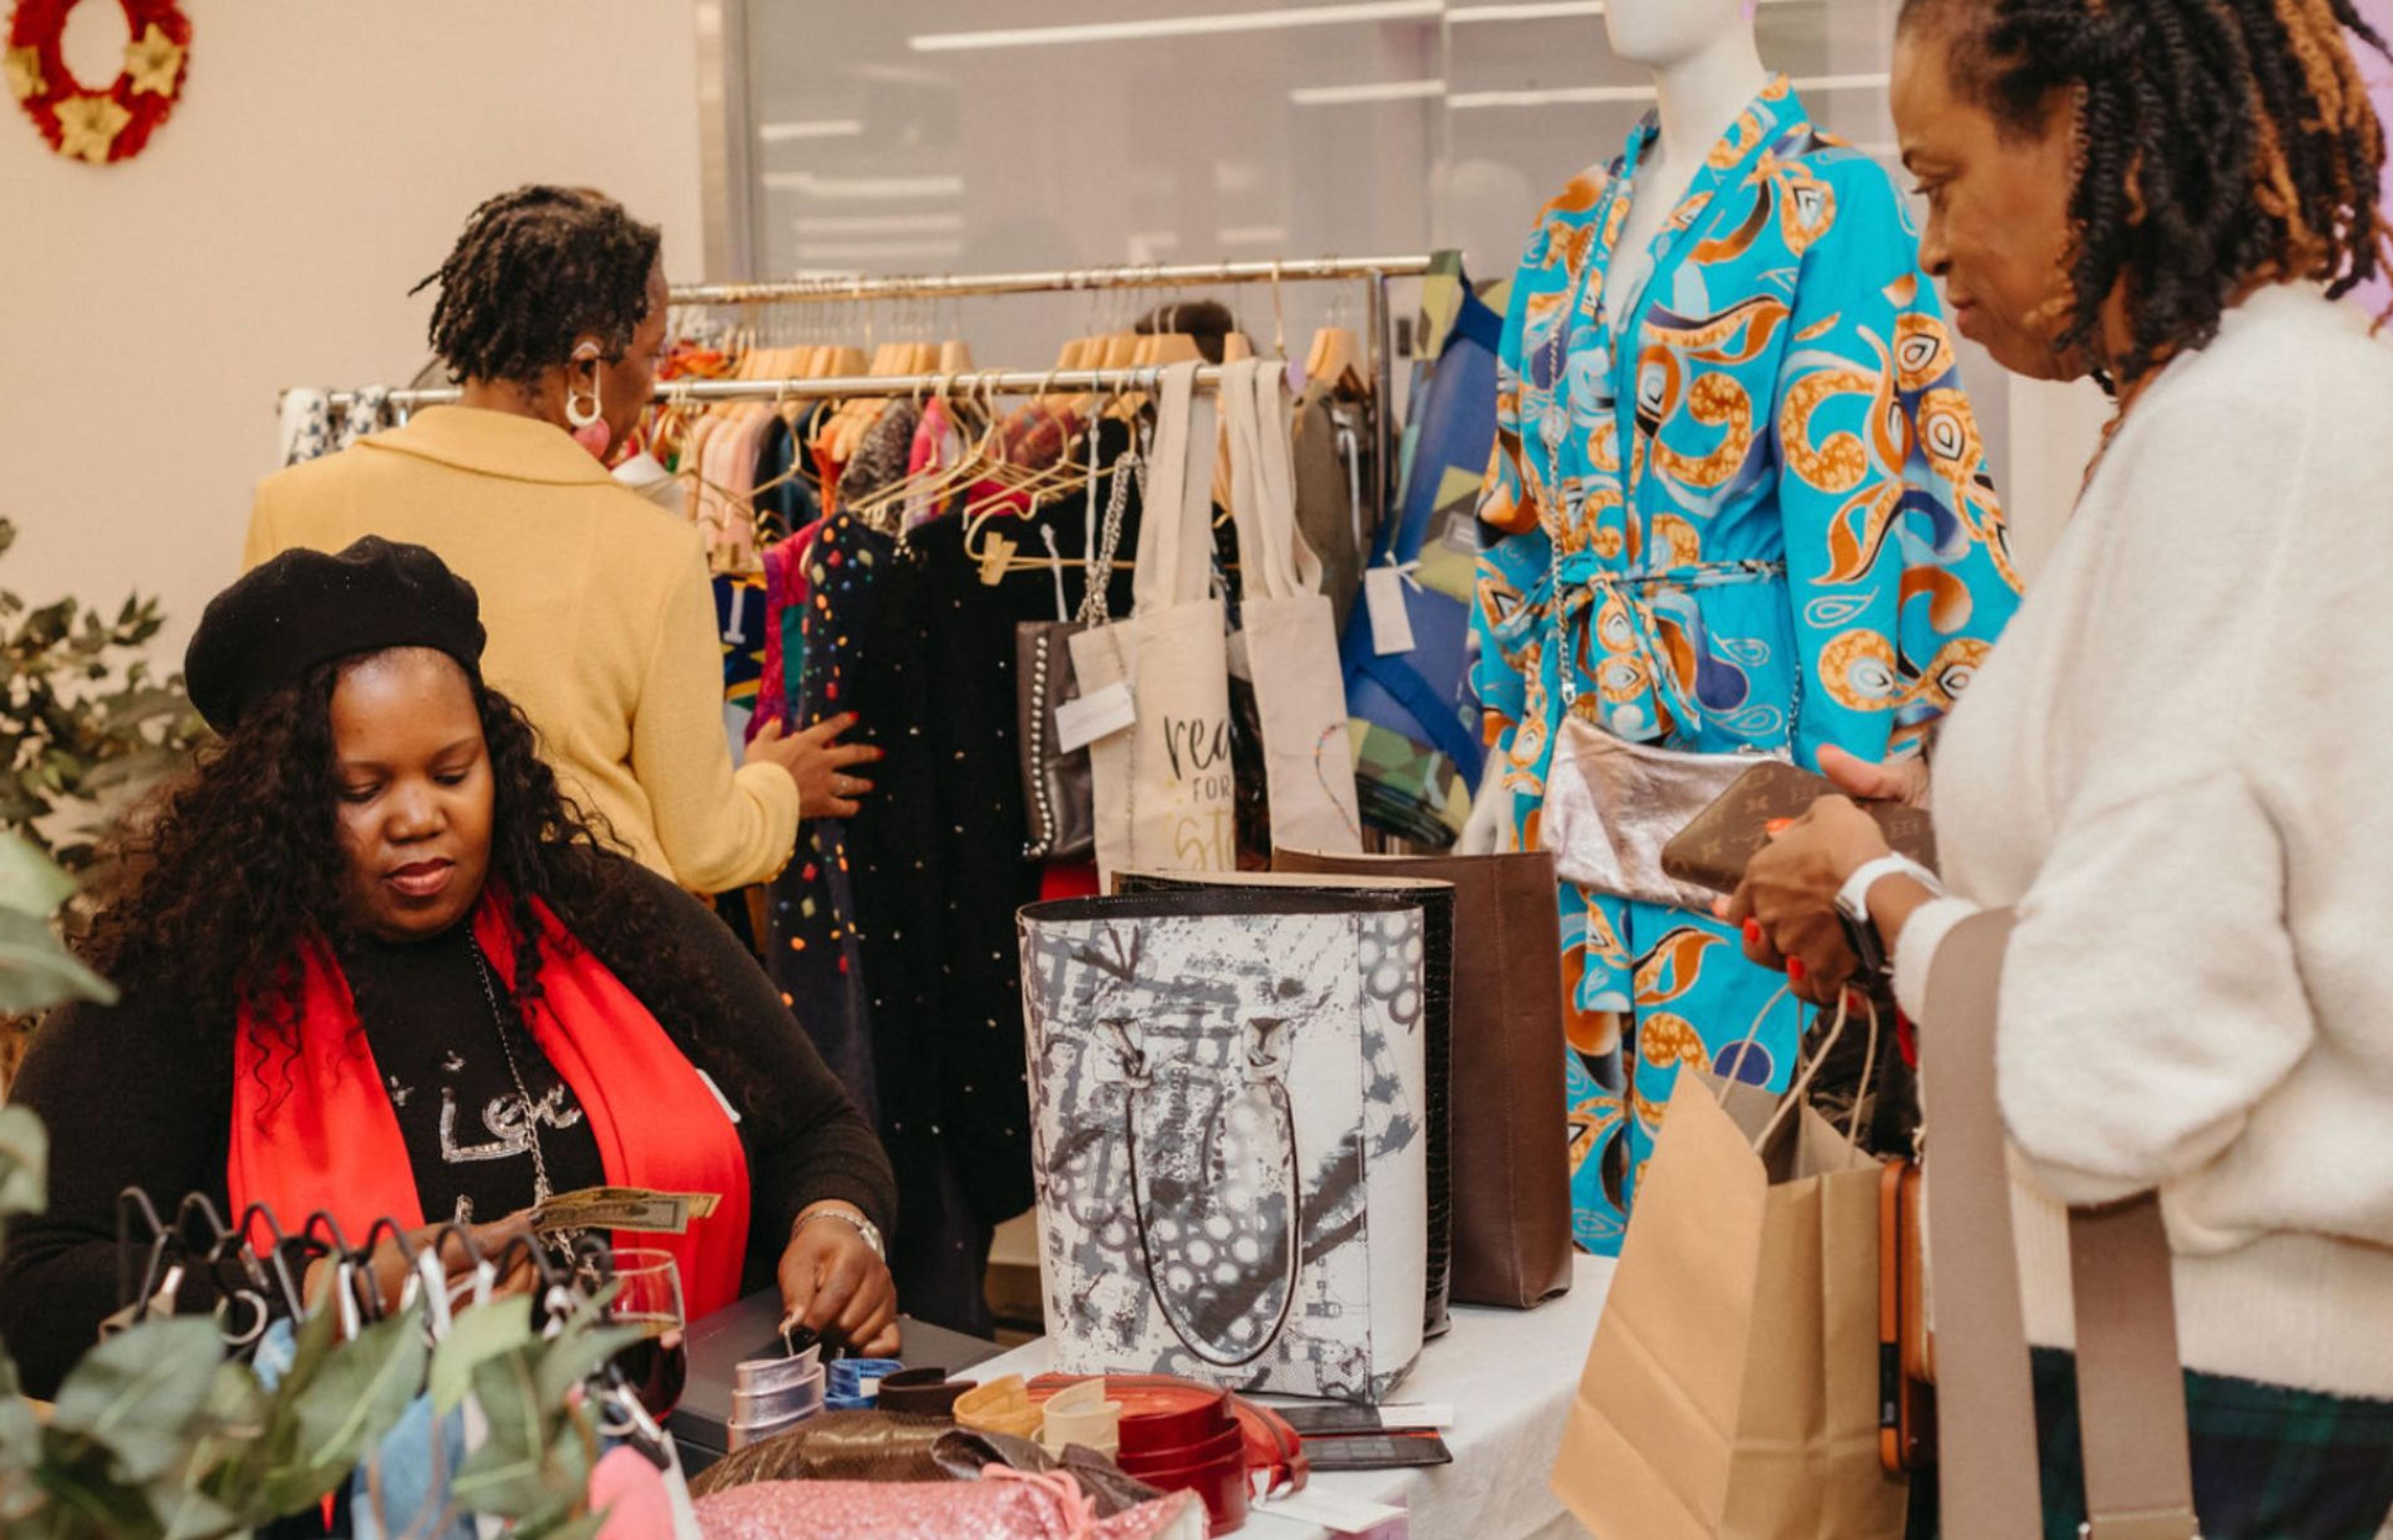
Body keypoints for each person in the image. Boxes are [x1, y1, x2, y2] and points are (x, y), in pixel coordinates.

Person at [1730, 0, 2393, 1531]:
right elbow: (2191, 874)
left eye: (1944, 179)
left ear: (2109, 136)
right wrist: (1943, 847)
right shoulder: (2217, 408)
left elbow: (2125, 1061)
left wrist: (1881, 891)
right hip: (2162, 1370)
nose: (1930, 244)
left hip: (2193, 1397)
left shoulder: (2244, 432)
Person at [0, 539, 901, 1400]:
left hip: (678, 1465)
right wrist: (337, 1296)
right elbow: (36, 1289)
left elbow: (818, 1128)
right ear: (273, 801)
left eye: (453, 772)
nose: (418, 817)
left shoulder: (608, 914)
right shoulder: (181, 983)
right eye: (362, 790)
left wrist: (837, 1222)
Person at [244, 185, 876, 895]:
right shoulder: (652, 551)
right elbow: (706, 849)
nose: (657, 379)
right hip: (578, 965)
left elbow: (262, 789)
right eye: (650, 351)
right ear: (584, 368)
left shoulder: (292, 505)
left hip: (360, 959)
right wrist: (777, 785)